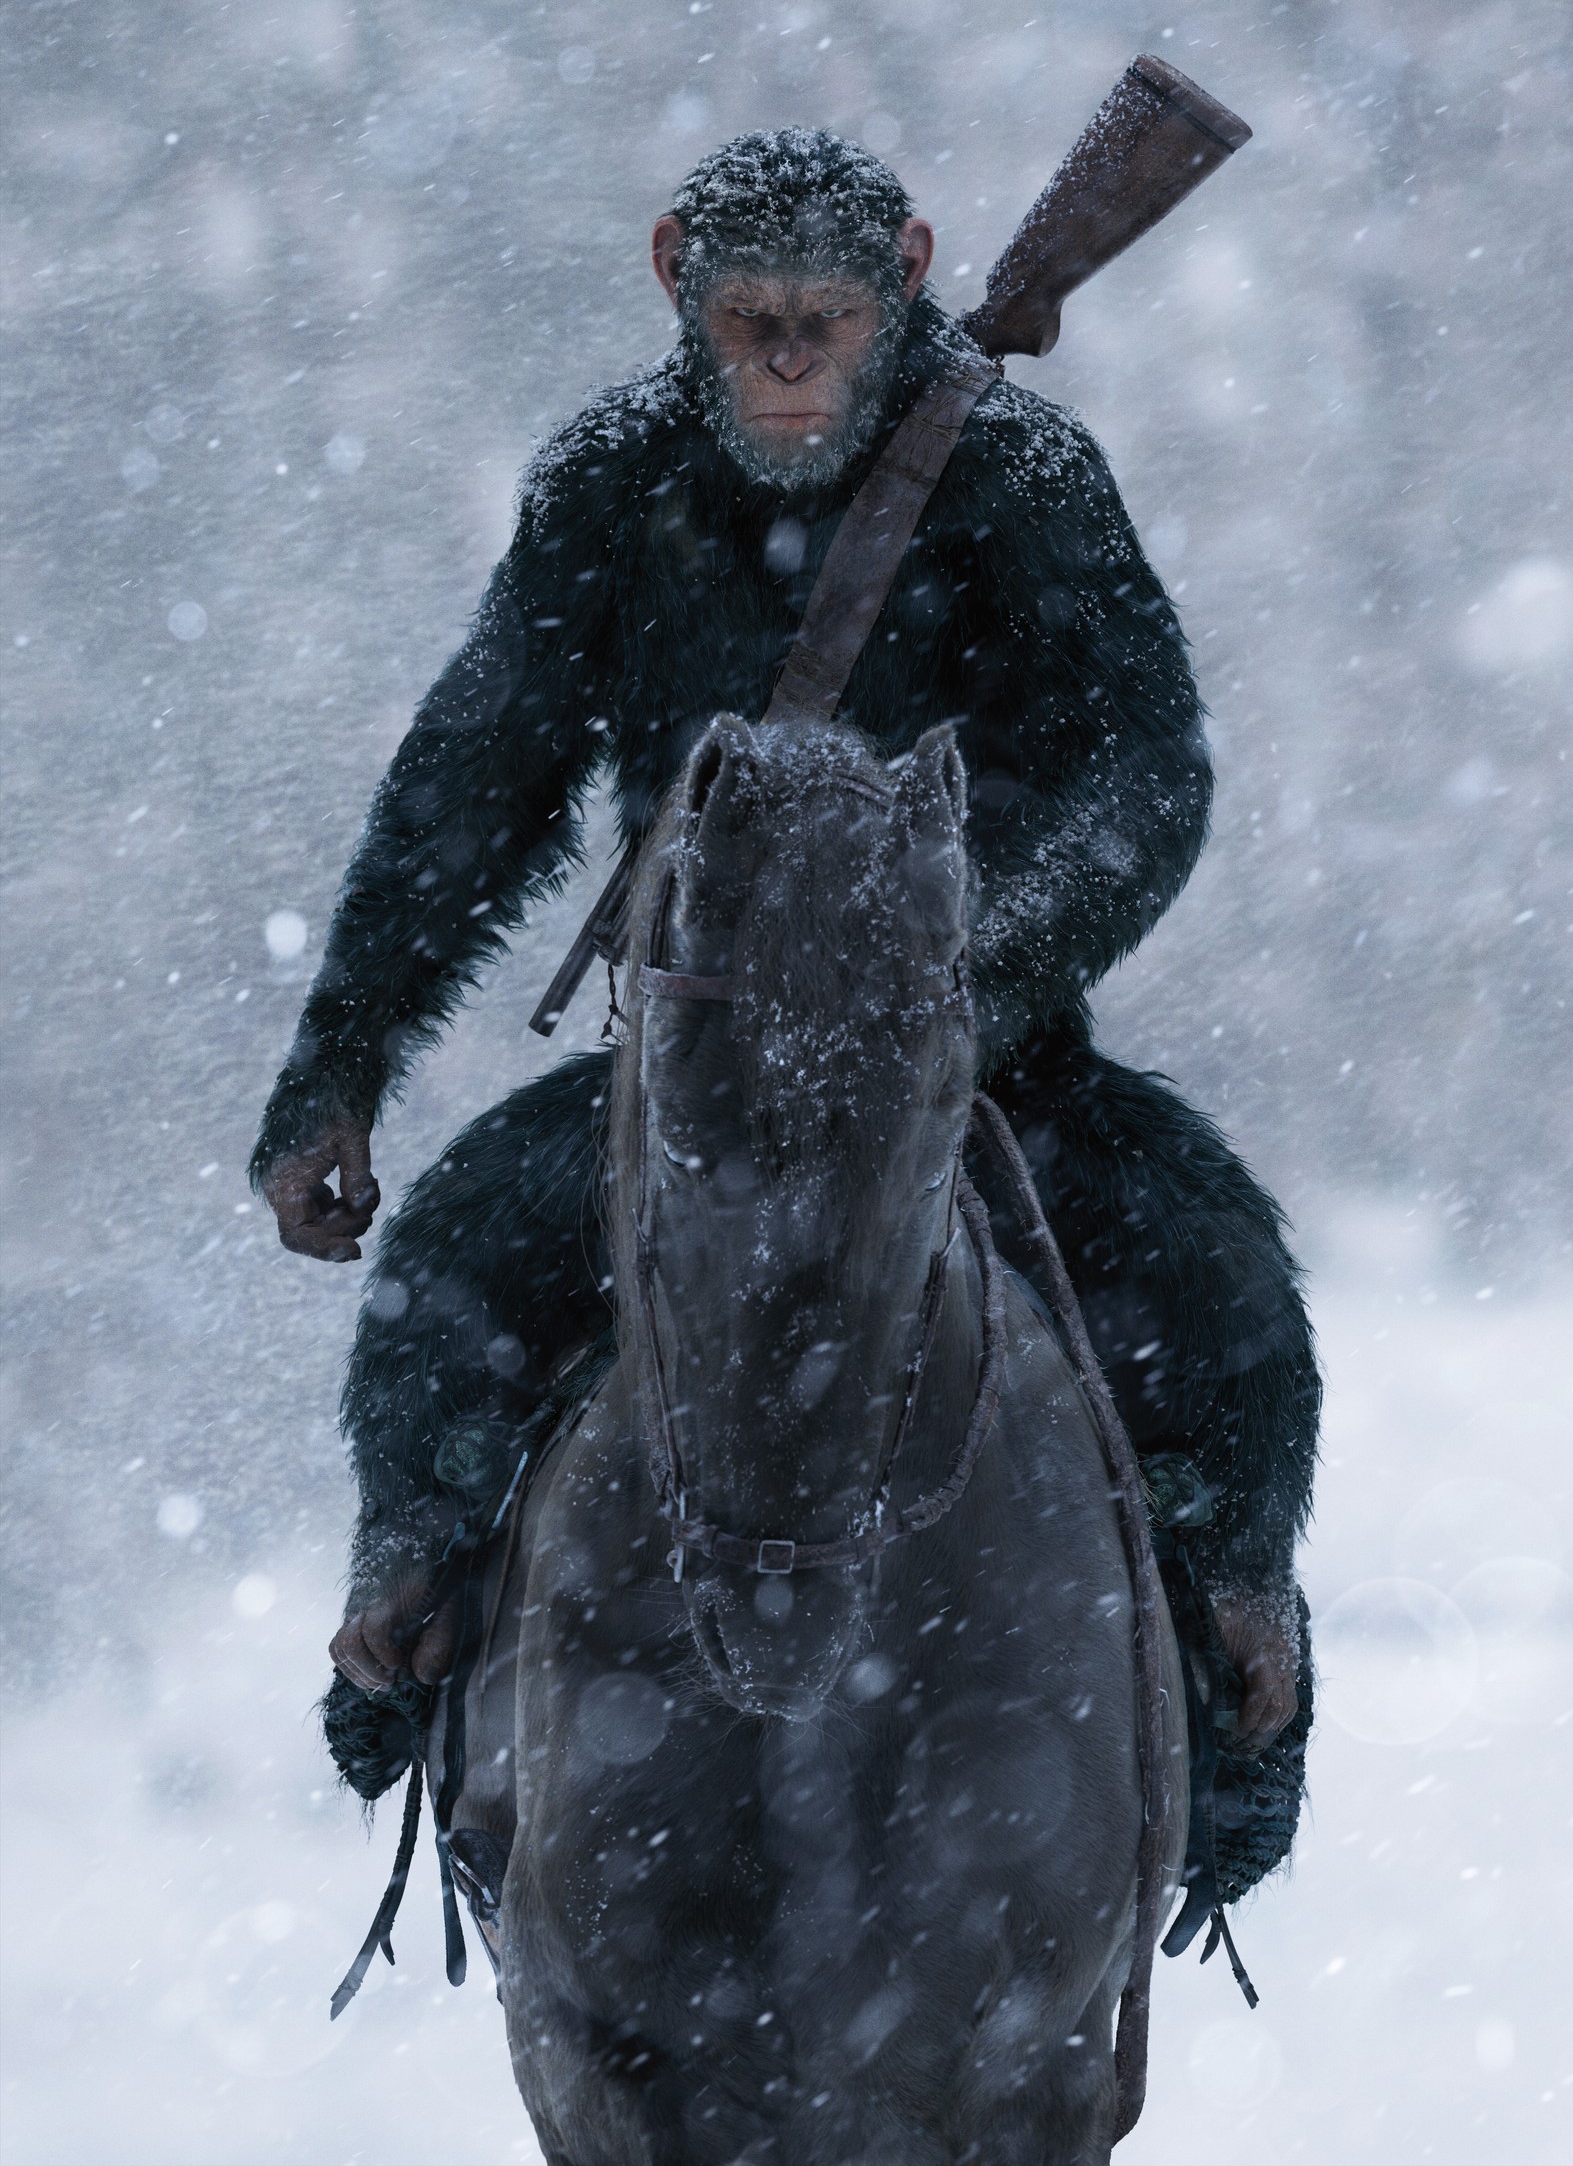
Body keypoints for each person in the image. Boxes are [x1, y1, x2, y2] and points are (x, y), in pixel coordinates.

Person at [251, 128, 1317, 1771]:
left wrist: (968, 983)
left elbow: (1145, 777)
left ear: (905, 277)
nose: (792, 367)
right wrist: (341, 1061)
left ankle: (1241, 1674)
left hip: (990, 1066)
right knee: (450, 1273)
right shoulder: (611, 478)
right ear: (679, 279)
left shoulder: (1016, 472)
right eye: (756, 323)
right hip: (692, 1076)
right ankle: (413, 1618)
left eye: (825, 320)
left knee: (1229, 1296)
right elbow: (475, 782)